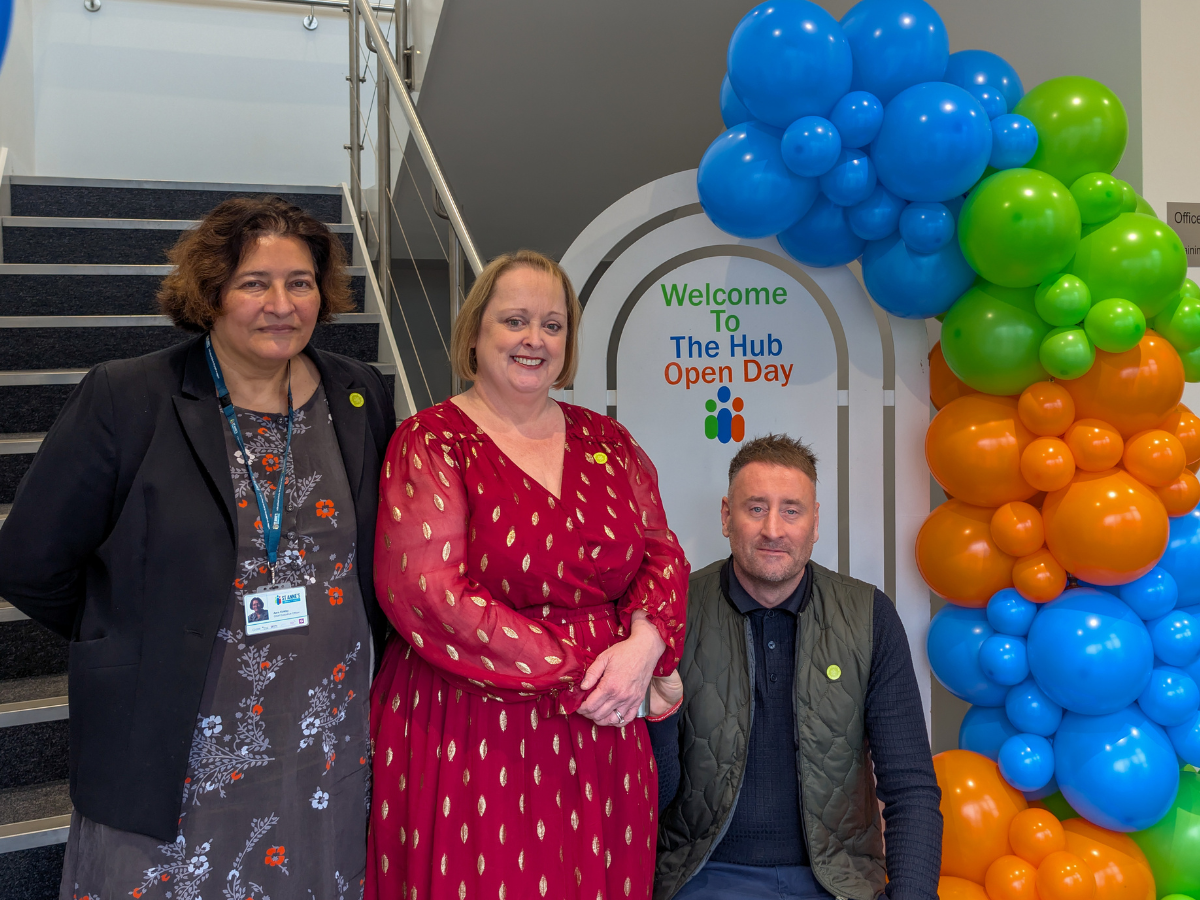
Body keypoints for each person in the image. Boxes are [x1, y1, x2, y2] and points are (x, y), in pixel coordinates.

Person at [0, 196, 396, 900]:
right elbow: (30, 560)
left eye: (300, 282)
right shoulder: (129, 397)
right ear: (210, 292)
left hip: (322, 736)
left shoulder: (357, 393)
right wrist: (128, 631)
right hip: (176, 734)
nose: (282, 303)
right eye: (254, 283)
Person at [367, 249, 688, 900]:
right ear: (476, 333)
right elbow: (428, 594)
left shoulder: (610, 441)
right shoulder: (431, 441)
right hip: (471, 721)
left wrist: (645, 649)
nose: (534, 340)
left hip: (606, 720)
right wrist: (591, 671)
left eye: (553, 324)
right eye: (515, 320)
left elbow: (661, 551)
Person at [649, 434, 942, 900]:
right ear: (727, 517)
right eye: (755, 508)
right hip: (704, 878)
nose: (773, 530)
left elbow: (911, 789)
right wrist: (659, 722)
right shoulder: (671, 613)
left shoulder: (869, 616)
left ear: (815, 522)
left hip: (838, 882)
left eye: (791, 510)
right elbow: (645, 801)